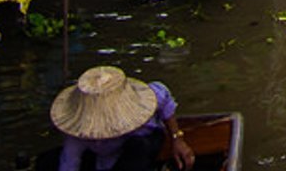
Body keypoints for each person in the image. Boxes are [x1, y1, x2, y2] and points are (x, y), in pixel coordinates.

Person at [44, 63, 195, 171]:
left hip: (144, 142)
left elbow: (164, 96)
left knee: (137, 147)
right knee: (47, 161)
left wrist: (177, 139)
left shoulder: (144, 102)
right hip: (106, 158)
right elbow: (70, 163)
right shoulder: (78, 133)